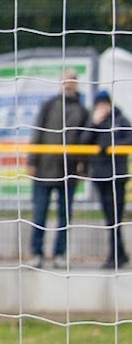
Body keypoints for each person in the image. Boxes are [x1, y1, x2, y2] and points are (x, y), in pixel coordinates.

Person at [29, 73, 86, 268]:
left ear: (76, 84)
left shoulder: (81, 110)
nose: (68, 83)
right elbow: (37, 131)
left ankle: (59, 255)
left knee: (65, 217)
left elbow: (85, 140)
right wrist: (32, 161)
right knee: (39, 215)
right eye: (65, 79)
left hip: (68, 172)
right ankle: (37, 254)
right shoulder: (49, 105)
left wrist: (82, 169)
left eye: (72, 80)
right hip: (44, 170)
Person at [82, 91, 132, 269]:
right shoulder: (94, 122)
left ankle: (117, 255)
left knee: (115, 218)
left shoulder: (120, 119)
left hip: (117, 176)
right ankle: (119, 253)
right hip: (100, 176)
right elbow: (83, 142)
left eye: (105, 103)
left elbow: (130, 138)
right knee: (109, 219)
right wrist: (94, 123)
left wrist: (110, 146)